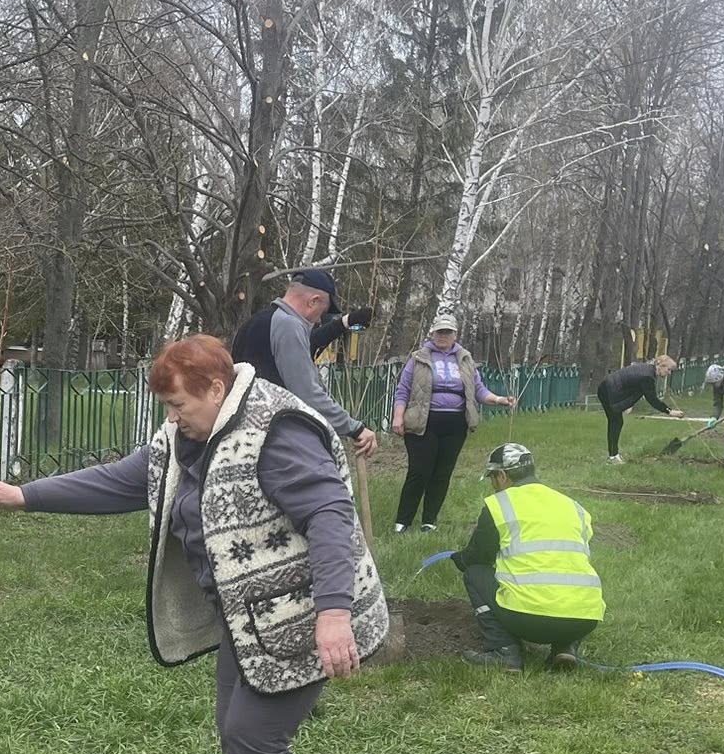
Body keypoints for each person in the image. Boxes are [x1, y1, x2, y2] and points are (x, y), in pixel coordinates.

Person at [0, 336, 390, 754]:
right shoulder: (188, 437)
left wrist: (333, 612)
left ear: (216, 389)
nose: (171, 419)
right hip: (251, 619)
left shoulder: (277, 431)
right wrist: (23, 496)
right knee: (234, 730)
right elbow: (126, 479)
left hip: (305, 614)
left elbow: (329, 515)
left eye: (178, 406)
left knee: (255, 736)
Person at [452, 442, 604, 672]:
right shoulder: (574, 507)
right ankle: (565, 648)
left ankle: (504, 651)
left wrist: (460, 559)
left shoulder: (500, 505)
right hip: (584, 618)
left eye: (493, 479)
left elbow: (478, 557)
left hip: (528, 619)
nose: (493, 486)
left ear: (502, 476)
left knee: (474, 574)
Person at [231, 269, 379, 461]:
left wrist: (344, 323)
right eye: (322, 312)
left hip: (245, 438)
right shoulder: (289, 326)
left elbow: (312, 343)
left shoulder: (255, 323)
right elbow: (307, 394)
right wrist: (355, 428)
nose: (319, 320)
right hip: (275, 442)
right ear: (313, 301)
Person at [390, 313, 517, 533]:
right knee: (419, 471)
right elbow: (403, 390)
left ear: (455, 335)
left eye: (447, 332)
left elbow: (478, 390)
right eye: (439, 331)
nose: (443, 336)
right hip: (423, 423)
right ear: (432, 333)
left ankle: (429, 521)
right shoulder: (418, 358)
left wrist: (499, 400)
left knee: (442, 473)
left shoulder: (465, 359)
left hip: (455, 425)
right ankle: (403, 521)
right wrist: (398, 417)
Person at [595, 353, 680, 462]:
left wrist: (628, 405)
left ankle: (613, 455)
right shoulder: (648, 377)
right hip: (608, 391)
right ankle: (613, 457)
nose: (669, 373)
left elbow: (635, 388)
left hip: (607, 388)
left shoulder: (648, 370)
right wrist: (670, 412)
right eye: (668, 369)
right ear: (661, 365)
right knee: (616, 422)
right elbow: (652, 399)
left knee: (616, 422)